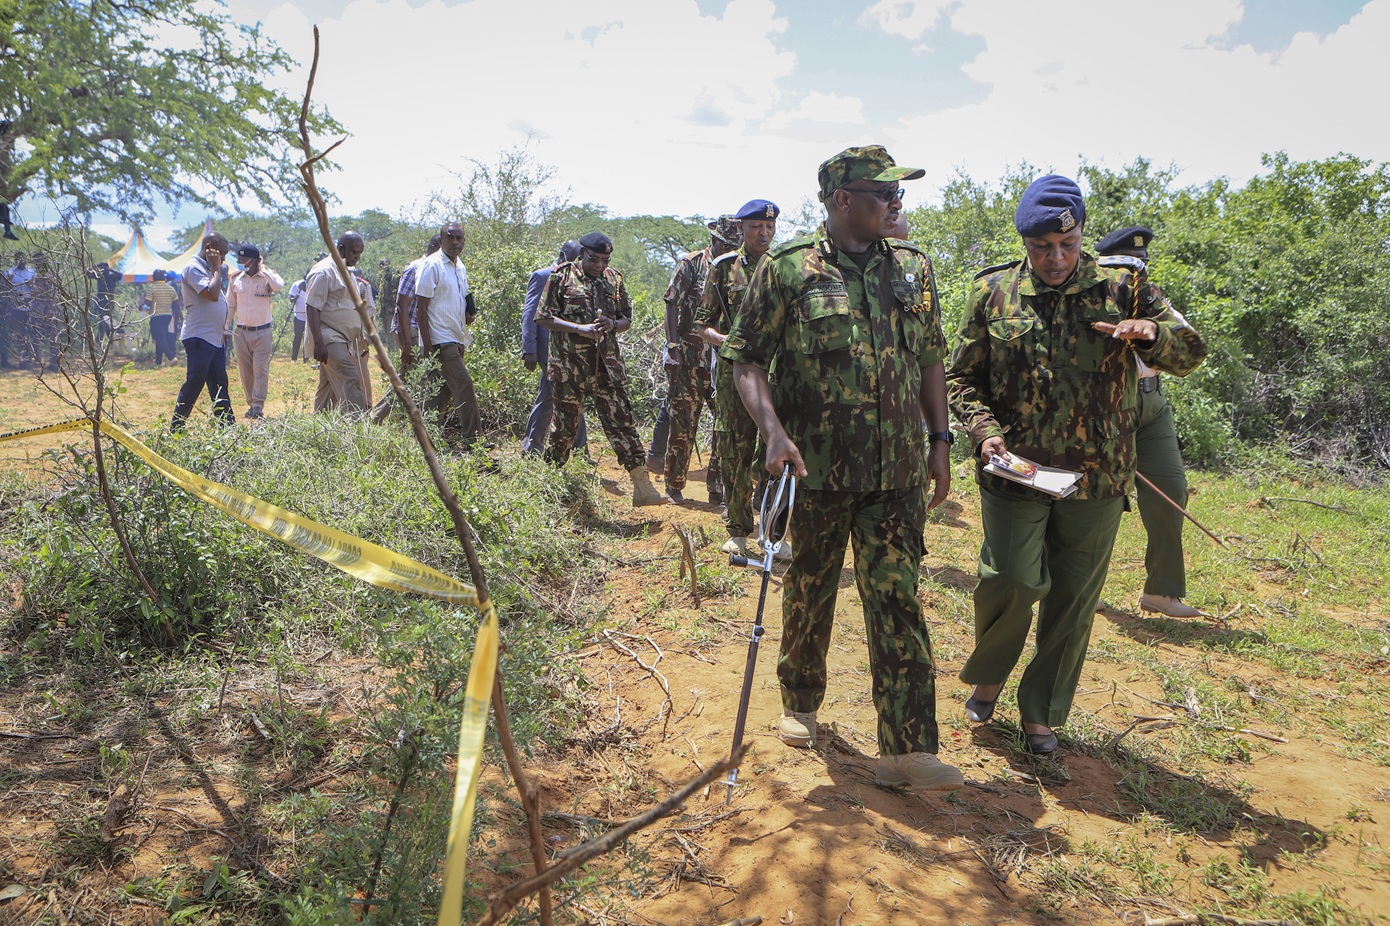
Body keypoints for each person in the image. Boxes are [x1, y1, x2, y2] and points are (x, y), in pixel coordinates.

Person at [722, 145, 962, 791]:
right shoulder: (789, 269)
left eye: (897, 194)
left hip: (897, 474)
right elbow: (745, 360)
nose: (894, 204)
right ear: (839, 200)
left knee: (898, 598)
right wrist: (771, 432)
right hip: (816, 471)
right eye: (880, 193)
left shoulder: (913, 268)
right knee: (810, 589)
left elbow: (932, 358)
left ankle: (907, 749)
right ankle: (800, 700)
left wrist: (940, 440)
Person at [947, 175, 1208, 756]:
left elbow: (1192, 351)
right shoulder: (993, 292)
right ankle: (990, 673)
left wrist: (1152, 336)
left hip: (1099, 476)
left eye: (1066, 245)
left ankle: (1041, 712)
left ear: (1082, 234)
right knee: (1012, 578)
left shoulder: (1125, 288)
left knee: (1073, 597)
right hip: (1016, 469)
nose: (1056, 259)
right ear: (1026, 243)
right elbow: (960, 377)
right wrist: (984, 432)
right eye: (1042, 248)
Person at [1094, 226, 1206, 619]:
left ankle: (1162, 591)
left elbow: (1188, 342)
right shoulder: (1089, 296)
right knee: (1100, 499)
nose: (1131, 273)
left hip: (1152, 402)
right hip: (1107, 406)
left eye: (1138, 265)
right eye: (1123, 264)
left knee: (1170, 489)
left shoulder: (1151, 298)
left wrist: (1153, 331)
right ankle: (1081, 588)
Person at [537, 231, 665, 507]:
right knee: (565, 429)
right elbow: (543, 317)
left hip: (607, 366)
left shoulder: (614, 279)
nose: (599, 265)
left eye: (604, 260)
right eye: (594, 259)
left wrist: (613, 325)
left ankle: (643, 488)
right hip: (570, 366)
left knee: (623, 423)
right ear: (582, 254)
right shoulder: (561, 277)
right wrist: (578, 328)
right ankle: (548, 484)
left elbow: (626, 318)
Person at [699, 200, 779, 554]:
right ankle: (738, 530)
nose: (764, 234)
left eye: (769, 227)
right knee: (736, 448)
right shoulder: (724, 268)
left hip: (778, 374)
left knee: (776, 452)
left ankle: (775, 532)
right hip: (737, 373)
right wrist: (726, 341)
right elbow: (703, 324)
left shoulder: (785, 267)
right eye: (756, 227)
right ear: (741, 230)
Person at [658, 215, 740, 503]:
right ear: (715, 240)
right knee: (683, 423)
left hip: (724, 361)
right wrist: (672, 346)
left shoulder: (740, 269)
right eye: (727, 243)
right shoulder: (692, 263)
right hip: (690, 359)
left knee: (726, 425)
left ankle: (717, 487)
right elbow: (672, 302)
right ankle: (675, 486)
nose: (731, 249)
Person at [415, 222, 482, 451]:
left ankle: (426, 441)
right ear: (442, 240)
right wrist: (427, 344)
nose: (455, 242)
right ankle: (475, 442)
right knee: (465, 388)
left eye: (459, 238)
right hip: (440, 341)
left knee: (439, 395)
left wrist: (467, 316)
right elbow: (420, 307)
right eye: (450, 238)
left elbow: (459, 299)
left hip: (457, 337)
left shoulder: (459, 266)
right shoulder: (433, 265)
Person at [521, 239, 589, 457]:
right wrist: (529, 350)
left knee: (567, 396)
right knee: (553, 397)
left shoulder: (580, 279)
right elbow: (531, 315)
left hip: (569, 350)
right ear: (562, 255)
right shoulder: (543, 276)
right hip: (546, 349)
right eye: (576, 257)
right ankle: (536, 448)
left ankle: (574, 450)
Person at [170, 233, 235, 429]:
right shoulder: (194, 268)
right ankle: (176, 428)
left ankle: (228, 429)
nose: (223, 259)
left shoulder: (207, 269)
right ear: (209, 248)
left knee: (219, 384)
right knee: (195, 383)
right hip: (199, 338)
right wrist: (216, 268)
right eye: (221, 254)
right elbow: (212, 294)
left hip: (213, 338)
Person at [305, 232, 370, 413]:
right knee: (351, 381)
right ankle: (360, 429)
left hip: (344, 340)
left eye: (360, 253)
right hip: (330, 338)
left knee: (328, 392)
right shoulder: (324, 271)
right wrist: (318, 343)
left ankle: (318, 430)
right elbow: (312, 307)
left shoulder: (346, 271)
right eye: (354, 252)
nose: (357, 257)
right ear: (341, 249)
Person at [226, 245, 284, 419]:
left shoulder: (267, 278)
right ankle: (251, 403)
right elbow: (230, 303)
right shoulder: (236, 279)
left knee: (260, 369)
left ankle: (258, 404)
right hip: (241, 332)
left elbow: (279, 285)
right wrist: (226, 325)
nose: (239, 263)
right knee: (245, 371)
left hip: (262, 332)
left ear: (253, 260)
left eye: (243, 260)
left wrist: (262, 268)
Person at [393, 234, 440, 376]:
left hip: (420, 330)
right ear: (433, 248)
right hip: (411, 330)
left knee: (407, 378)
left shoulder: (434, 268)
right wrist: (407, 343)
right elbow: (402, 305)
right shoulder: (415, 268)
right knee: (414, 377)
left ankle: (393, 399)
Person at [146, 269, 181, 365]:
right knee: (161, 337)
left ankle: (171, 357)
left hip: (156, 316)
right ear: (164, 277)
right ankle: (158, 361)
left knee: (159, 338)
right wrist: (177, 318)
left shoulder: (152, 288)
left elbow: (148, 303)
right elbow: (177, 304)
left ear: (153, 278)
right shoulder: (170, 288)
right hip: (168, 316)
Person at [288, 275, 308, 362]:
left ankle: (306, 357)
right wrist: (295, 297)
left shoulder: (313, 283)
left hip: (309, 316)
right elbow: (291, 299)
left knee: (307, 338)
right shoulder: (296, 284)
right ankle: (294, 357)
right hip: (298, 316)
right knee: (297, 337)